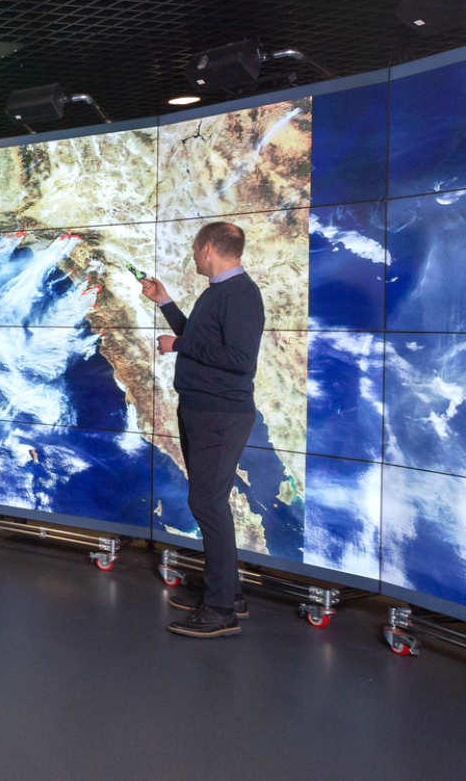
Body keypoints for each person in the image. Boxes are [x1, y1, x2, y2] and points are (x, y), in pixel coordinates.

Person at [139, 221, 265, 639]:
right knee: (210, 503)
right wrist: (165, 302)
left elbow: (240, 359)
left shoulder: (240, 294)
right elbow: (202, 339)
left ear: (208, 248)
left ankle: (220, 610)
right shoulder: (220, 292)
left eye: (196, 250)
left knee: (207, 504)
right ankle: (227, 593)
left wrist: (178, 346)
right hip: (204, 411)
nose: (194, 256)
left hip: (219, 415)